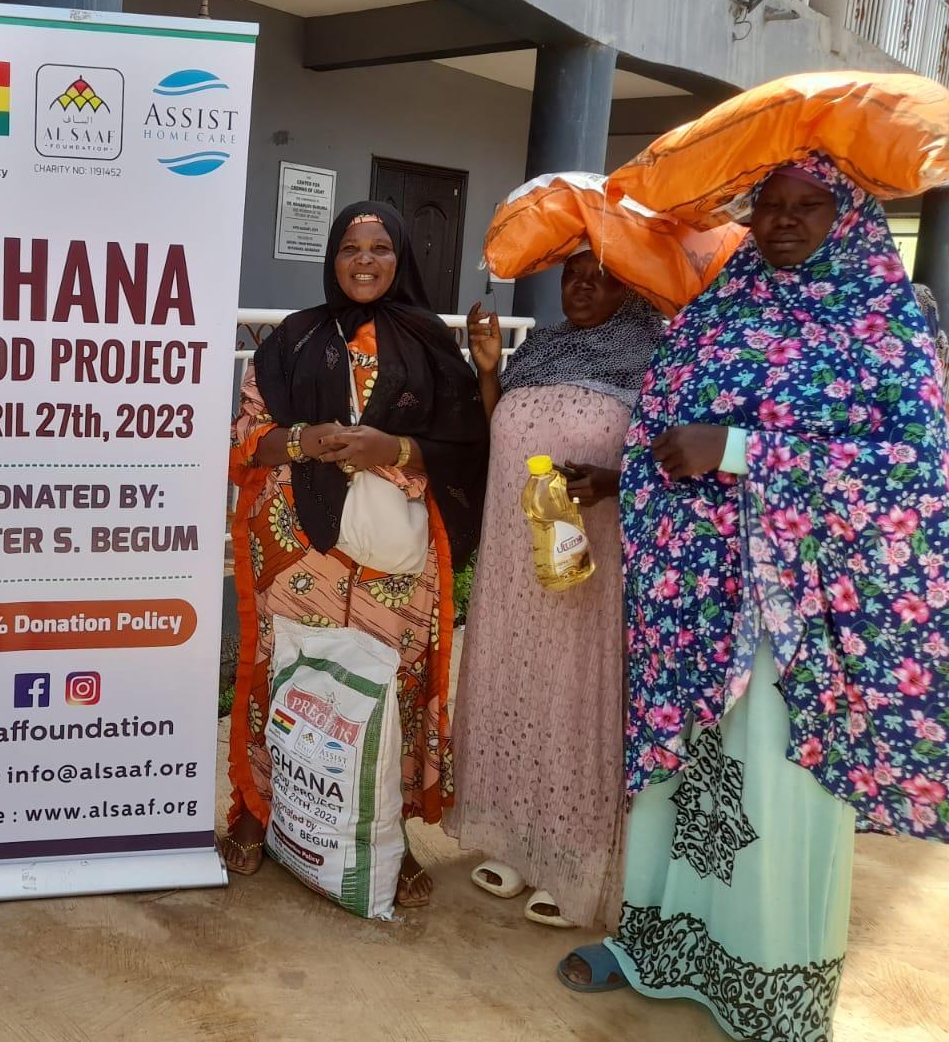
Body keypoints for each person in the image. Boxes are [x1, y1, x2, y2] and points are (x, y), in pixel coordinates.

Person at [558, 155, 949, 1041]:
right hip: (696, 598)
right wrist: (627, 477)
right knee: (684, 781)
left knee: (775, 786)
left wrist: (741, 450)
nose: (784, 220)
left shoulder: (881, 321)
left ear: (849, 218)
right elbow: (666, 431)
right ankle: (655, 943)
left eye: (810, 205)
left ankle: (772, 983)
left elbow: (908, 471)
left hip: (797, 613)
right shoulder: (720, 310)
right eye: (770, 205)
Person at [223, 201, 489, 906]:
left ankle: (383, 835)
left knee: (389, 692)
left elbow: (467, 447)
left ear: (401, 257)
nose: (364, 260)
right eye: (350, 247)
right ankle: (256, 808)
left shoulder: (430, 342)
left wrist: (392, 448)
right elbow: (247, 435)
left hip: (393, 559)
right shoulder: (295, 337)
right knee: (283, 676)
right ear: (332, 259)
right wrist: (305, 440)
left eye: (379, 248)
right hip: (298, 548)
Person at [448, 251, 665, 929]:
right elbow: (501, 435)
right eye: (573, 273)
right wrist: (489, 372)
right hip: (517, 557)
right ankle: (518, 840)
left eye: (603, 273)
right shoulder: (541, 348)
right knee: (518, 688)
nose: (582, 285)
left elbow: (670, 460)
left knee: (573, 695)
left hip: (591, 563)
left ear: (633, 284)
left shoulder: (653, 355)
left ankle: (575, 859)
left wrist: (616, 482)